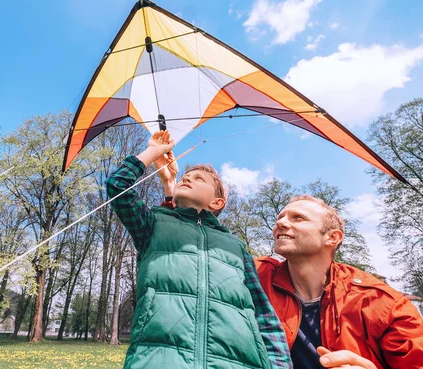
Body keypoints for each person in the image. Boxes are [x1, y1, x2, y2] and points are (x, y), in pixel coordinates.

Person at [158, 160, 423, 369]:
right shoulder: (254, 275)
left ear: (332, 237)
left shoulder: (380, 302)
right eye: (280, 217)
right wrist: (172, 193)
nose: (281, 222)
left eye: (298, 218)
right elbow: (193, 253)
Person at [106, 130, 291, 369]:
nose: (188, 178)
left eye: (199, 179)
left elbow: (264, 316)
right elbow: (118, 187)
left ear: (217, 203)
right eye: (186, 175)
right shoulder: (153, 226)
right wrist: (153, 153)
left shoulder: (235, 246)